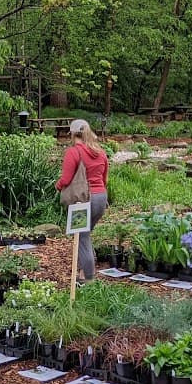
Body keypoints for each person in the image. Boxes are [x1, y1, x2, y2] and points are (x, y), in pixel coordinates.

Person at [55, 118, 109, 283]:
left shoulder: (74, 152)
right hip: (101, 198)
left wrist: (57, 186)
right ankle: (82, 273)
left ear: (72, 134)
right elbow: (104, 177)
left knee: (82, 235)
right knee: (86, 234)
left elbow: (65, 179)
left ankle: (88, 278)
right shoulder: (100, 152)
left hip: (84, 201)